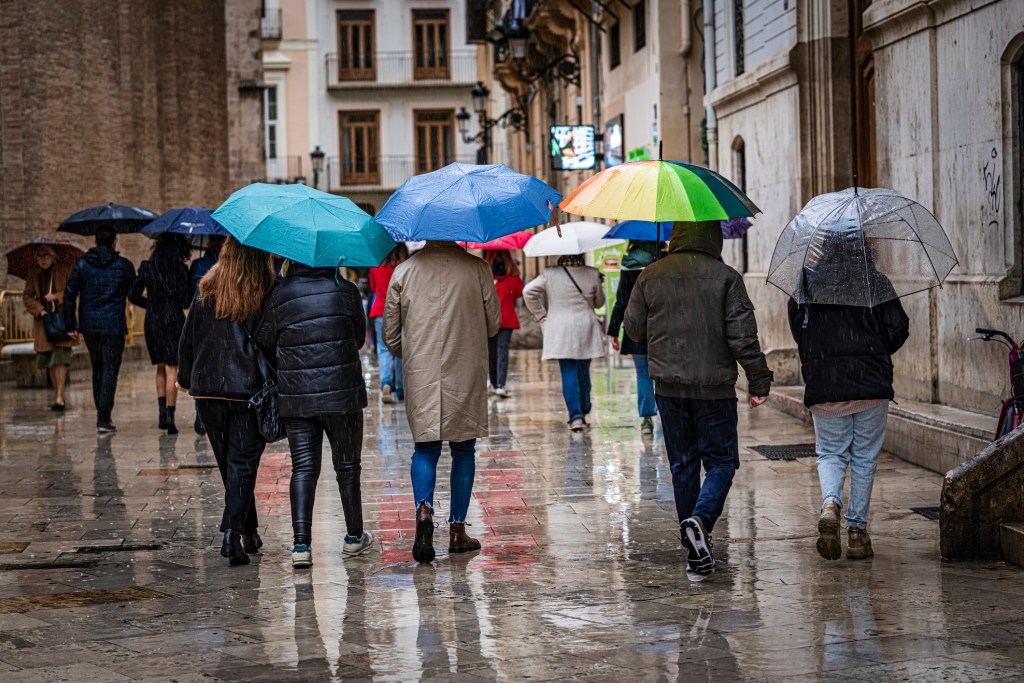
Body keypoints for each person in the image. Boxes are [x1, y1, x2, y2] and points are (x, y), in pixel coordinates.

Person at [624, 221, 772, 581]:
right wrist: (759, 378)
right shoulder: (726, 277)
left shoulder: (651, 275)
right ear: (713, 238)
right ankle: (701, 521)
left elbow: (634, 330)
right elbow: (743, 337)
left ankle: (693, 543)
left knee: (683, 465)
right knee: (721, 461)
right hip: (715, 388)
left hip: (670, 389)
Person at [788, 247, 909, 562]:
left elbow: (797, 327)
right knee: (865, 457)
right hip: (871, 383)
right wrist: (876, 350)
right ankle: (857, 533)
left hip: (825, 383)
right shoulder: (875, 281)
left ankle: (830, 503)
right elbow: (898, 327)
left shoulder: (806, 284)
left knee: (831, 453)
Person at [382, 241, 501, 563]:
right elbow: (493, 323)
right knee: (463, 450)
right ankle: (457, 531)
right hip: (465, 367)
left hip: (421, 371)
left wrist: (414, 354)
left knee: (426, 448)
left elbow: (389, 334)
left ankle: (424, 511)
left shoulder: (403, 271)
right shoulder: (478, 268)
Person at [256, 259, 373, 568]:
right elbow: (359, 338)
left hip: (297, 396)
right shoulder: (346, 291)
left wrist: (290, 362)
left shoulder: (278, 295)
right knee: (347, 468)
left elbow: (265, 339)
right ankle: (353, 537)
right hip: (343, 395)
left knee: (304, 469)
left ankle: (300, 545)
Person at [177, 237, 276, 566]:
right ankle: (231, 535)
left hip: (208, 390)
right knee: (243, 464)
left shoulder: (206, 286)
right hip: (248, 390)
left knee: (231, 465)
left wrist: (185, 375)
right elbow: (270, 340)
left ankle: (248, 530)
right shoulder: (264, 288)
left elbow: (189, 334)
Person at [63, 225, 137, 433]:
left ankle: (101, 414)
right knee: (110, 371)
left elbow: (69, 295)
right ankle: (103, 417)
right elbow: (133, 292)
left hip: (90, 326)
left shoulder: (81, 264)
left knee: (97, 368)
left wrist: (71, 325)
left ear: (95, 241)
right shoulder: (124, 265)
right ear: (114, 241)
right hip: (113, 326)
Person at [523, 254, 606, 432]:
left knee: (568, 372)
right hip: (585, 328)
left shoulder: (549, 273)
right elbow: (599, 303)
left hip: (560, 329)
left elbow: (528, 291)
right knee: (583, 371)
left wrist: (541, 315)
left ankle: (575, 416)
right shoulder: (591, 273)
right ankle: (584, 406)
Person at [129, 234, 193, 434]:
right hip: (174, 320)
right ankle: (170, 416)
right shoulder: (182, 270)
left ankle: (161, 412)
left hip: (153, 321)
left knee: (160, 366)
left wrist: (150, 305)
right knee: (172, 368)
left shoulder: (147, 267)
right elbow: (185, 302)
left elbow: (132, 295)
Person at [607, 241, 661, 435]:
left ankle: (647, 419)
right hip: (662, 326)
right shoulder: (664, 260)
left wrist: (614, 330)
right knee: (664, 372)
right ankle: (666, 413)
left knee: (643, 375)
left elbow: (622, 300)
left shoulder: (628, 262)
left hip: (635, 326)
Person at [22, 245, 77, 411]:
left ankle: (59, 397)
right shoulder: (33, 273)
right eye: (39, 256)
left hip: (62, 320)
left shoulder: (65, 269)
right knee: (51, 361)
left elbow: (72, 291)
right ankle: (57, 394)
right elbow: (27, 296)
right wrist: (40, 310)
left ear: (54, 257)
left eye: (46, 256)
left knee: (60, 358)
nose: (43, 260)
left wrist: (56, 296)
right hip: (44, 323)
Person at [187, 236, 226, 436]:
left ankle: (200, 414)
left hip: (204, 330)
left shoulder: (199, 265)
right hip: (228, 330)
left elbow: (188, 299)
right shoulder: (234, 268)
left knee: (203, 366)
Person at [369, 245, 408, 404]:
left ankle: (386, 383)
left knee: (383, 349)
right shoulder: (404, 266)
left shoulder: (377, 264)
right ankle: (400, 389)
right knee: (400, 349)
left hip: (380, 309)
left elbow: (373, 287)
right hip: (399, 310)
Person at [483, 249, 525, 398]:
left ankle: (493, 383)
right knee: (502, 351)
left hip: (489, 319)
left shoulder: (484, 275)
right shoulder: (512, 275)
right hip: (507, 318)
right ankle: (501, 385)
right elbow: (520, 293)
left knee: (491, 352)